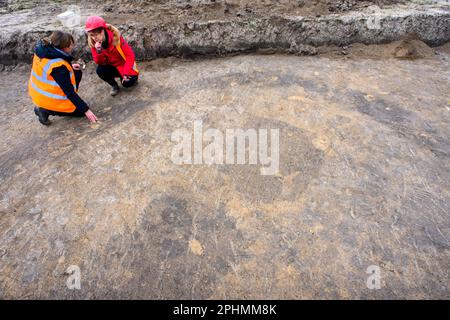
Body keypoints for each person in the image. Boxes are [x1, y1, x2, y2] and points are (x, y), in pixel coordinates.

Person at [29, 31, 98, 125]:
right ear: (63, 47)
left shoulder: (44, 50)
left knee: (77, 72)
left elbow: (50, 71)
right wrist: (86, 110)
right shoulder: (58, 67)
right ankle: (44, 110)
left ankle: (48, 106)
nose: (73, 47)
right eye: (71, 45)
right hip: (46, 98)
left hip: (39, 90)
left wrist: (69, 68)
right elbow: (69, 92)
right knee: (80, 112)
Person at [85, 16, 139, 96]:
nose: (94, 38)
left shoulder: (116, 37)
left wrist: (126, 73)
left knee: (128, 83)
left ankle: (129, 78)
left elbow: (130, 55)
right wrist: (98, 51)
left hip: (122, 65)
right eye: (92, 35)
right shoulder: (93, 43)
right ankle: (114, 85)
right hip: (110, 65)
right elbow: (99, 62)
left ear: (103, 31)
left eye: (96, 34)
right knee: (100, 70)